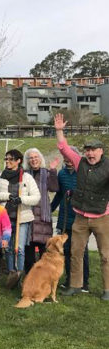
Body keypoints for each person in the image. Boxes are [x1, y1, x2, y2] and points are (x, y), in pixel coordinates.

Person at [54, 113, 109, 300]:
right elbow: (64, 148)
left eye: (93, 150)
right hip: (80, 217)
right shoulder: (80, 162)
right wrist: (59, 131)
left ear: (101, 151)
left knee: (106, 256)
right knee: (75, 252)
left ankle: (107, 290)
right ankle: (75, 285)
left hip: (102, 217)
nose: (90, 153)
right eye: (88, 150)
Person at [0, 149, 41, 277]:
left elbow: (36, 197)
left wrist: (21, 199)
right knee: (8, 248)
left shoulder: (26, 177)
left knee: (19, 248)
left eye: (11, 159)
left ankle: (20, 274)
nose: (8, 162)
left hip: (22, 218)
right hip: (6, 217)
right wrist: (8, 196)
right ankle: (11, 274)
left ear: (18, 161)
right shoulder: (2, 176)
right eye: (6, 159)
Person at [50, 150, 90, 291]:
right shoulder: (62, 174)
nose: (67, 160)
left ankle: (84, 282)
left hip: (80, 217)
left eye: (70, 157)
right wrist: (49, 209)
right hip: (64, 217)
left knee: (80, 250)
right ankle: (70, 281)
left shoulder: (83, 173)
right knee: (66, 250)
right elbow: (59, 194)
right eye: (65, 157)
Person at [22, 148, 59, 273]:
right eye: (31, 158)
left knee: (44, 253)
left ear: (40, 158)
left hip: (43, 218)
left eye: (36, 157)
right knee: (29, 255)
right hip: (28, 216)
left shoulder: (47, 173)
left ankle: (44, 280)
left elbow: (54, 188)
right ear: (27, 161)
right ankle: (29, 280)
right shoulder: (25, 174)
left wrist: (53, 171)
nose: (34, 160)